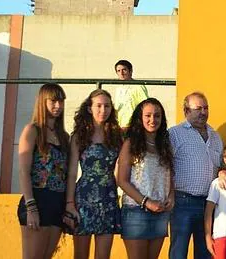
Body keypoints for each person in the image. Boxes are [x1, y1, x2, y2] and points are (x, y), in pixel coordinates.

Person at [64, 89, 123, 259]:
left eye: (107, 106)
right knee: (80, 256)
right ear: (89, 108)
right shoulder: (79, 136)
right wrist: (69, 203)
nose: (103, 110)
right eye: (98, 106)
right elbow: (72, 172)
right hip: (83, 199)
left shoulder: (117, 136)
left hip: (108, 198)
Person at [117, 98, 174, 259]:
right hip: (136, 211)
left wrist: (171, 195)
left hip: (161, 211)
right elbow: (122, 180)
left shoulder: (164, 144)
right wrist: (146, 202)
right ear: (140, 118)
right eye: (147, 115)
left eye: (157, 116)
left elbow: (170, 173)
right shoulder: (130, 144)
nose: (152, 120)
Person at [17, 83, 70, 259]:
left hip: (57, 203)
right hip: (37, 201)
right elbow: (23, 171)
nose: (58, 106)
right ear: (42, 101)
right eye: (53, 101)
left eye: (61, 101)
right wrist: (31, 207)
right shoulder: (32, 130)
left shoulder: (64, 137)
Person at [168, 92, 223, 259]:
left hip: (208, 204)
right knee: (179, 252)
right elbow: (166, 166)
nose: (203, 112)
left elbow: (219, 165)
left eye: (206, 108)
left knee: (205, 253)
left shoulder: (215, 136)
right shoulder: (175, 133)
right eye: (198, 108)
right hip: (182, 202)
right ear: (186, 111)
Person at [114, 60, 149, 130]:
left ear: (130, 71)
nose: (121, 73)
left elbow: (145, 106)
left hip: (133, 126)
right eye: (118, 71)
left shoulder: (138, 86)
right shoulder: (118, 89)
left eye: (124, 70)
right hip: (120, 127)